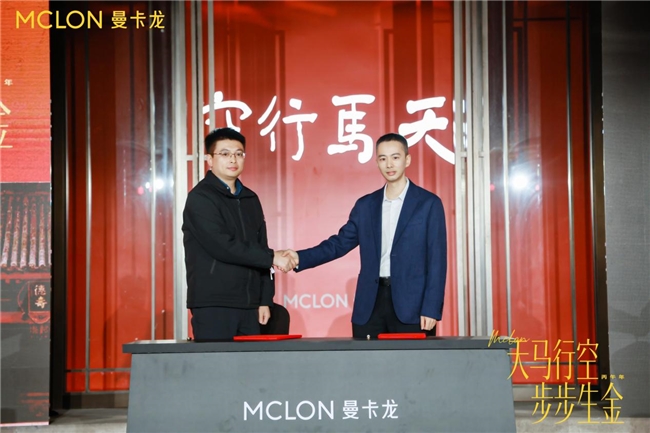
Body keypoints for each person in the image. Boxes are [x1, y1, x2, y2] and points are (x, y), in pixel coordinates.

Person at [283, 133, 447, 338]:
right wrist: (299, 257)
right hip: (370, 306)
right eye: (383, 158)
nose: (389, 164)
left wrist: (431, 308)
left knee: (412, 360)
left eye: (395, 157)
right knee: (366, 359)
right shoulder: (366, 205)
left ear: (407, 160)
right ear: (377, 162)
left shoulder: (428, 204)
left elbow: (437, 260)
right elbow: (339, 244)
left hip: (413, 307)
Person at [182, 127, 295, 340]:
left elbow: (261, 248)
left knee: (251, 362)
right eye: (225, 154)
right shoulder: (200, 198)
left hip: (250, 304)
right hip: (214, 303)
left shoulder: (250, 198)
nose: (233, 159)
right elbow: (222, 246)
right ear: (210, 159)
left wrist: (265, 299)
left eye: (239, 153)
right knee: (217, 361)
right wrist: (272, 256)